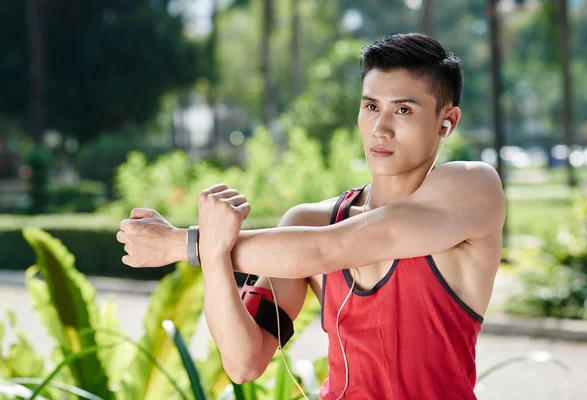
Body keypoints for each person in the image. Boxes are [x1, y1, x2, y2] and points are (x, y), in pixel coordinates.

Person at [116, 33, 505, 399]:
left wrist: (182, 243)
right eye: (370, 106)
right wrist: (213, 256)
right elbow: (244, 362)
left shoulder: (473, 189)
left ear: (446, 121)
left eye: (403, 109)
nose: (380, 128)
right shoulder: (311, 220)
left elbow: (329, 249)